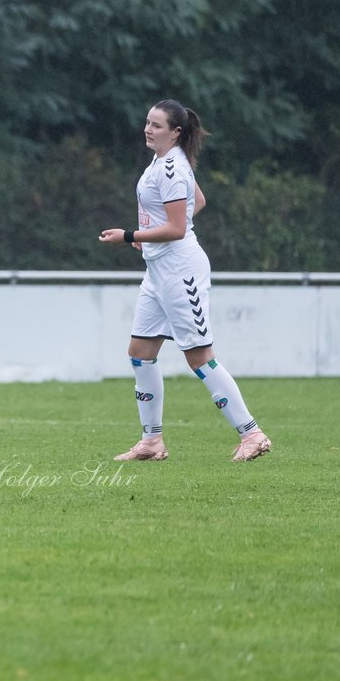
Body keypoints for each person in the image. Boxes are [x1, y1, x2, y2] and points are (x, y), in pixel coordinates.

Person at [99, 99, 271, 463]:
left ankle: (252, 434)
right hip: (158, 273)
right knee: (140, 354)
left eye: (157, 125)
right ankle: (151, 442)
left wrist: (132, 236)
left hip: (181, 272)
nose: (148, 129)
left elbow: (178, 227)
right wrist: (148, 236)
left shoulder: (173, 167)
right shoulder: (161, 162)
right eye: (147, 122)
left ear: (176, 132)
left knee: (199, 358)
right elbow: (199, 203)